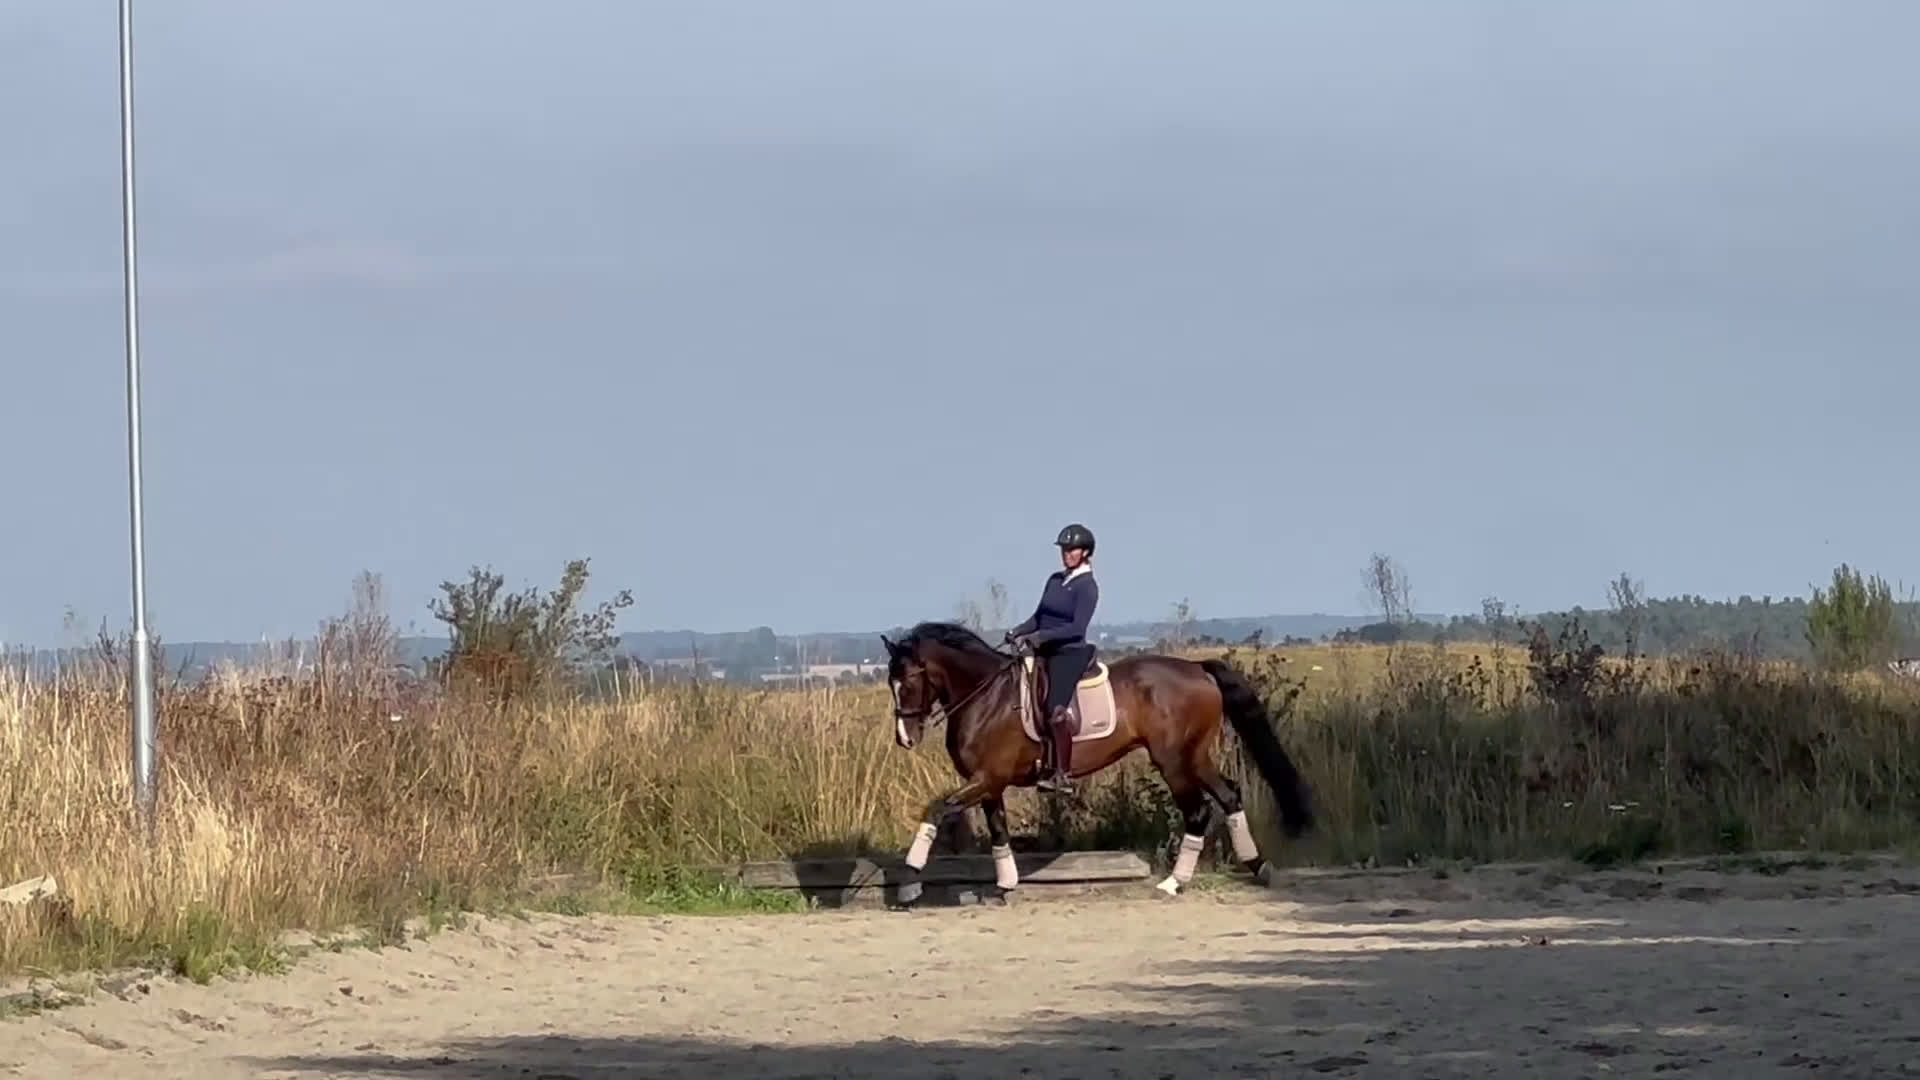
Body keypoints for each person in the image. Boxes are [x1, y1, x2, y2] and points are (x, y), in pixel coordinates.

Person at [1005, 523, 1100, 793]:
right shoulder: (1055, 580)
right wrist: (1019, 631)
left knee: (1055, 711)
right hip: (1044, 649)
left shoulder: (1087, 587)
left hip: (1069, 652)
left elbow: (1076, 628)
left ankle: (1062, 773)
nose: (1067, 554)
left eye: (1072, 550)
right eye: (1064, 549)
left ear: (1085, 552)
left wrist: (1040, 637)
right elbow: (1039, 616)